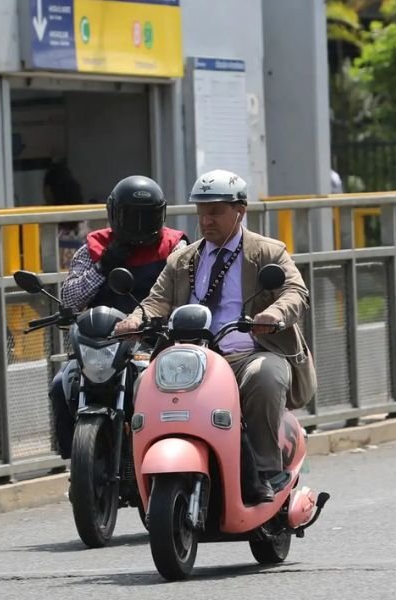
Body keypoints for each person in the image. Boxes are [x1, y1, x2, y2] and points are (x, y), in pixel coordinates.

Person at [113, 168, 317, 505]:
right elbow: (156, 301)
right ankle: (143, 472)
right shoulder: (182, 259)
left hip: (249, 353)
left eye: (216, 212)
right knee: (143, 383)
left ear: (240, 210)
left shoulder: (268, 252)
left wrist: (274, 314)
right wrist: (134, 320)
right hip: (193, 361)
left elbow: (295, 291)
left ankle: (266, 470)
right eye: (201, 211)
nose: (206, 220)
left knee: (266, 376)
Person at [49, 176, 188, 459]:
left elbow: (186, 294)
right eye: (130, 216)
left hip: (155, 345)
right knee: (59, 385)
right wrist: (104, 265)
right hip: (101, 345)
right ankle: (76, 462)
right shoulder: (94, 247)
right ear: (113, 213)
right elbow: (70, 298)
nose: (138, 224)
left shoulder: (176, 246)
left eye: (145, 217)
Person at [43, 163, 89, 271]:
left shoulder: (46, 224)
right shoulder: (88, 222)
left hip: (55, 281)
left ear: (49, 190)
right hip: (85, 279)